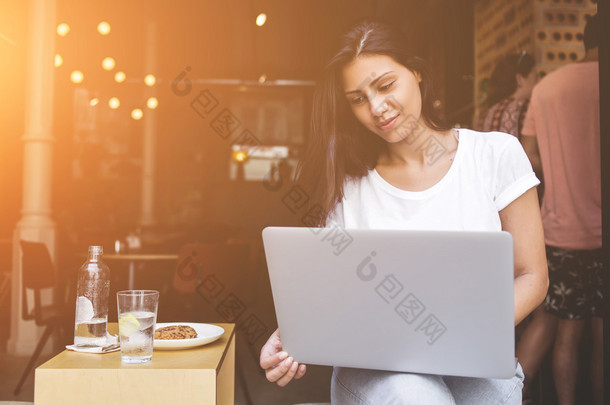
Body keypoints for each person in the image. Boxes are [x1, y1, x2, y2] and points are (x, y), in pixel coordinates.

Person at [260, 19, 548, 404]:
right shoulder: (348, 186)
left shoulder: (496, 155)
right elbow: (330, 297)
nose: (376, 108)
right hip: (378, 372)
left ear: (416, 71)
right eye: (358, 99)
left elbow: (532, 275)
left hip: (476, 360)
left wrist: (452, 335)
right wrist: (288, 339)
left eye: (385, 85)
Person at [521, 14, 602, 405]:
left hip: (559, 229)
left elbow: (529, 158)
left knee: (566, 333)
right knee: (603, 335)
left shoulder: (545, 88)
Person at [480, 51, 537, 141]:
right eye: (535, 77)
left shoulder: (487, 113)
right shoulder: (527, 108)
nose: (537, 83)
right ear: (519, 79)